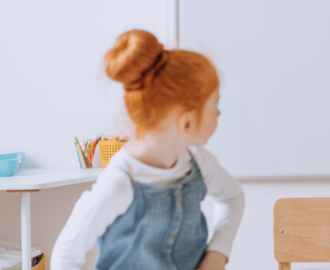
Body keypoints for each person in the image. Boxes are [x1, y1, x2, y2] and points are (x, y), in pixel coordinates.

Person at [52, 30, 245, 270]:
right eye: (214, 105)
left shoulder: (200, 163)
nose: (219, 113)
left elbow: (232, 196)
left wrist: (217, 254)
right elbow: (65, 257)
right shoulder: (119, 182)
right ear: (186, 122)